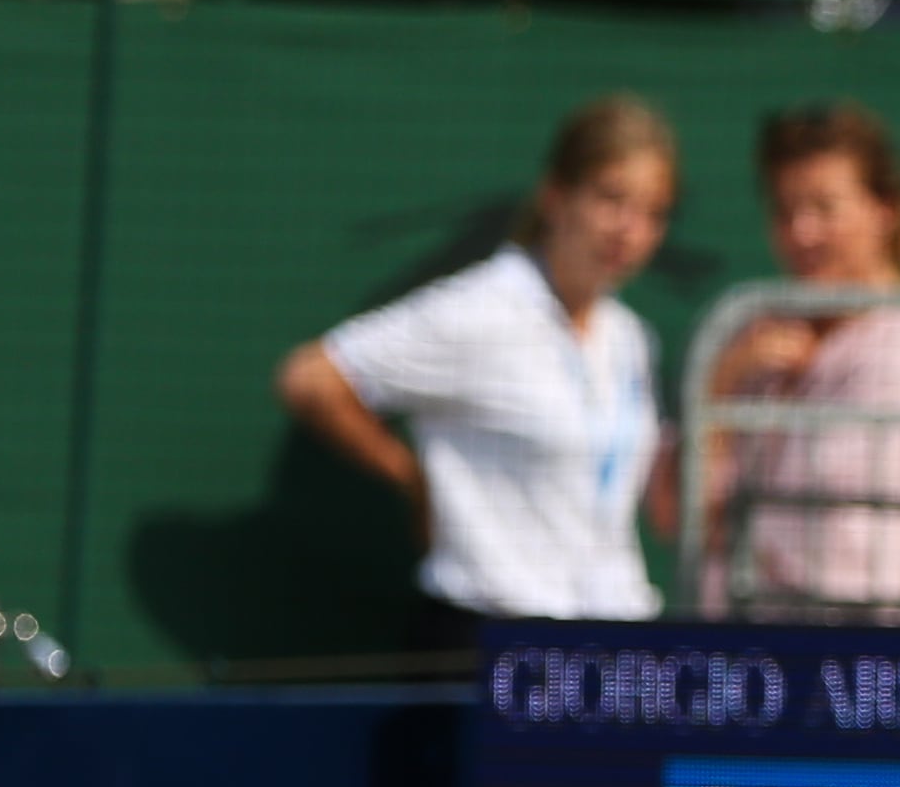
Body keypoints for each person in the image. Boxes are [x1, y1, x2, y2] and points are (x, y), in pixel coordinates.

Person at [277, 96, 676, 639]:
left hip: (610, 639)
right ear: (556, 197)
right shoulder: (481, 310)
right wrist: (412, 478)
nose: (630, 230)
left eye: (653, 213)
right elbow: (312, 377)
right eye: (612, 199)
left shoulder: (630, 337)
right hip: (491, 637)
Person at [686, 103, 900, 610]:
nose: (801, 232)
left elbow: (827, 531)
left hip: (838, 659)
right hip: (729, 656)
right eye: (785, 211)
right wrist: (720, 385)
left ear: (885, 210)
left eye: (825, 208)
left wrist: (724, 516)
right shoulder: (750, 332)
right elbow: (673, 507)